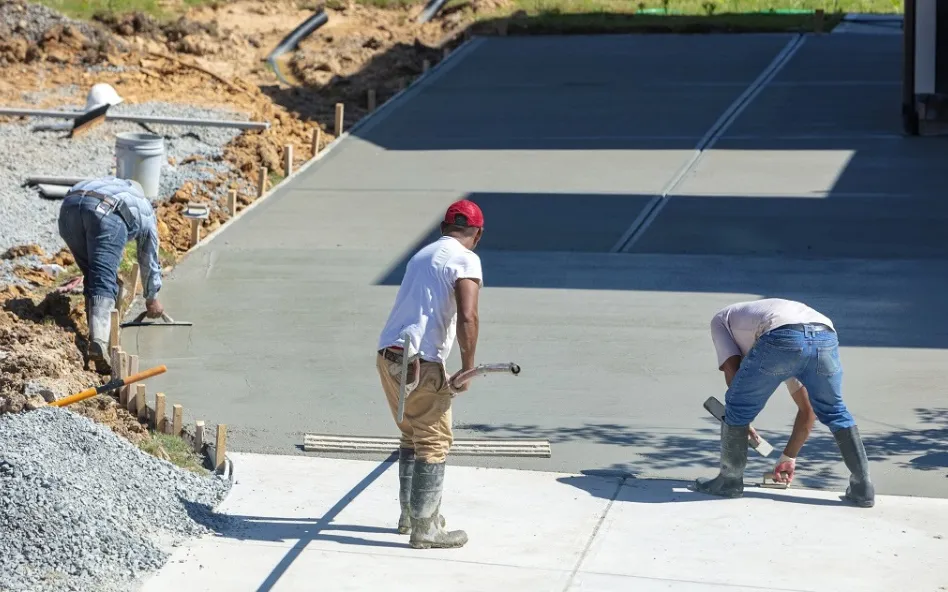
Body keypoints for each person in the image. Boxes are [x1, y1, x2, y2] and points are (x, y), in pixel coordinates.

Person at [376, 198, 484, 549]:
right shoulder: (466, 259)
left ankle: (410, 515)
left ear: (442, 229)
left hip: (389, 355)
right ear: (477, 234)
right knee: (434, 440)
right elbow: (468, 316)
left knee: (411, 433)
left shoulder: (420, 255)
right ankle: (426, 529)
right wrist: (468, 369)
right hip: (421, 362)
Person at [697, 298, 874, 508]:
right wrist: (788, 457)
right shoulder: (783, 347)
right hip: (824, 334)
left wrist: (741, 421)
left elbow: (732, 371)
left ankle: (729, 481)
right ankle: (863, 487)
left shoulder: (720, 321)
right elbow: (808, 411)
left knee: (737, 407)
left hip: (780, 336)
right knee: (835, 410)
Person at [58, 176, 164, 374]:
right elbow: (148, 257)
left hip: (69, 209)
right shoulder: (145, 208)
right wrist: (152, 297)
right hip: (106, 213)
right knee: (103, 280)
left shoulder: (114, 185)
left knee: (93, 274)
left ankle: (96, 336)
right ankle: (99, 342)